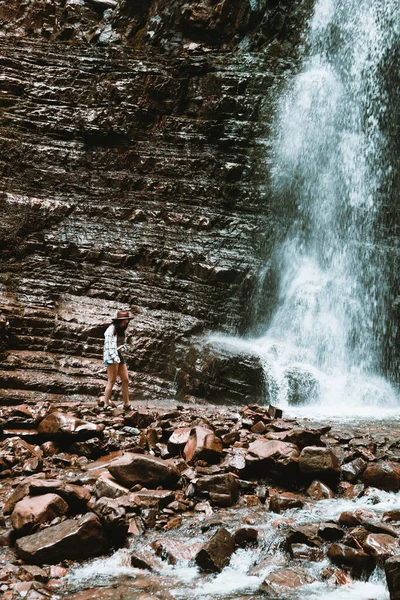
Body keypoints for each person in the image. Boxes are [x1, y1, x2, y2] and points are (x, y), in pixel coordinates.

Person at [101, 309, 134, 410]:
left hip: (118, 355)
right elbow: (109, 346)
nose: (125, 324)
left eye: (126, 322)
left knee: (125, 379)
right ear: (118, 321)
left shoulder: (121, 329)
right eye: (124, 322)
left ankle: (127, 404)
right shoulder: (110, 330)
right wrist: (115, 357)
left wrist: (123, 348)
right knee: (112, 380)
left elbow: (120, 344)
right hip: (111, 357)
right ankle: (106, 404)